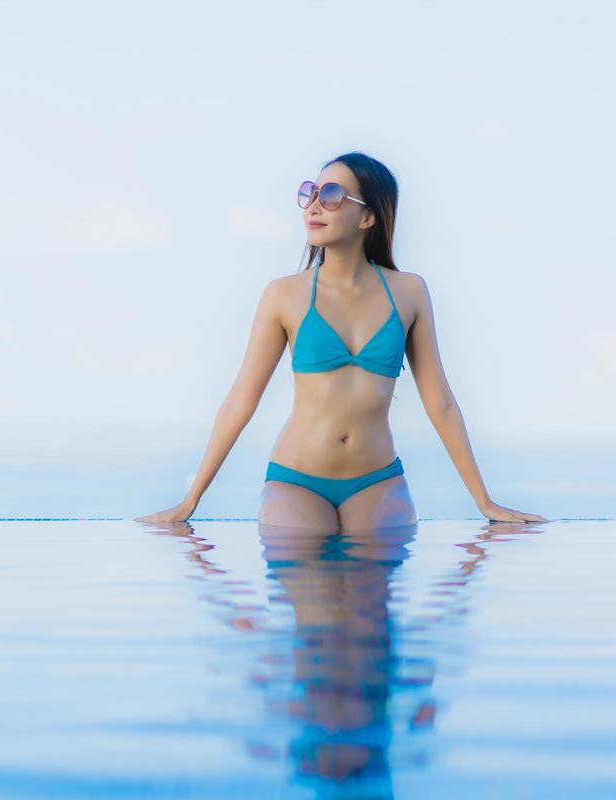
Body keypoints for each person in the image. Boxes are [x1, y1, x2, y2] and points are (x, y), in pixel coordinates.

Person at [137, 151, 546, 531]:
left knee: (373, 604)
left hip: (378, 480)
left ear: (368, 217)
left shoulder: (409, 293)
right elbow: (241, 400)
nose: (314, 205)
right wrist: (191, 500)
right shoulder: (284, 295)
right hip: (297, 481)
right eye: (310, 193)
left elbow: (440, 403)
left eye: (332, 194)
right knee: (312, 591)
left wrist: (485, 503)